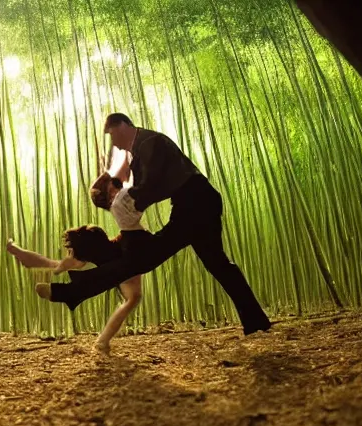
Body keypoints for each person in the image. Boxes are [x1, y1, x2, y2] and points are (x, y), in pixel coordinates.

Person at [37, 113, 271, 336]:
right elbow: (145, 188)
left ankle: (70, 292)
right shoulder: (141, 150)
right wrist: (124, 202)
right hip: (195, 202)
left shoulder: (150, 143)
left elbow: (149, 186)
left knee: (141, 261)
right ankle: (256, 321)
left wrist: (125, 202)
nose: (116, 146)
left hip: (195, 204)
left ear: (122, 126)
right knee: (218, 264)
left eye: (113, 138)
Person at [6, 225, 144, 356]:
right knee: (133, 298)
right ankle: (102, 341)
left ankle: (102, 341)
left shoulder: (93, 250)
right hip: (123, 265)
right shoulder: (112, 245)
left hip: (117, 263)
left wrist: (63, 266)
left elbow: (57, 268)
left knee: (52, 264)